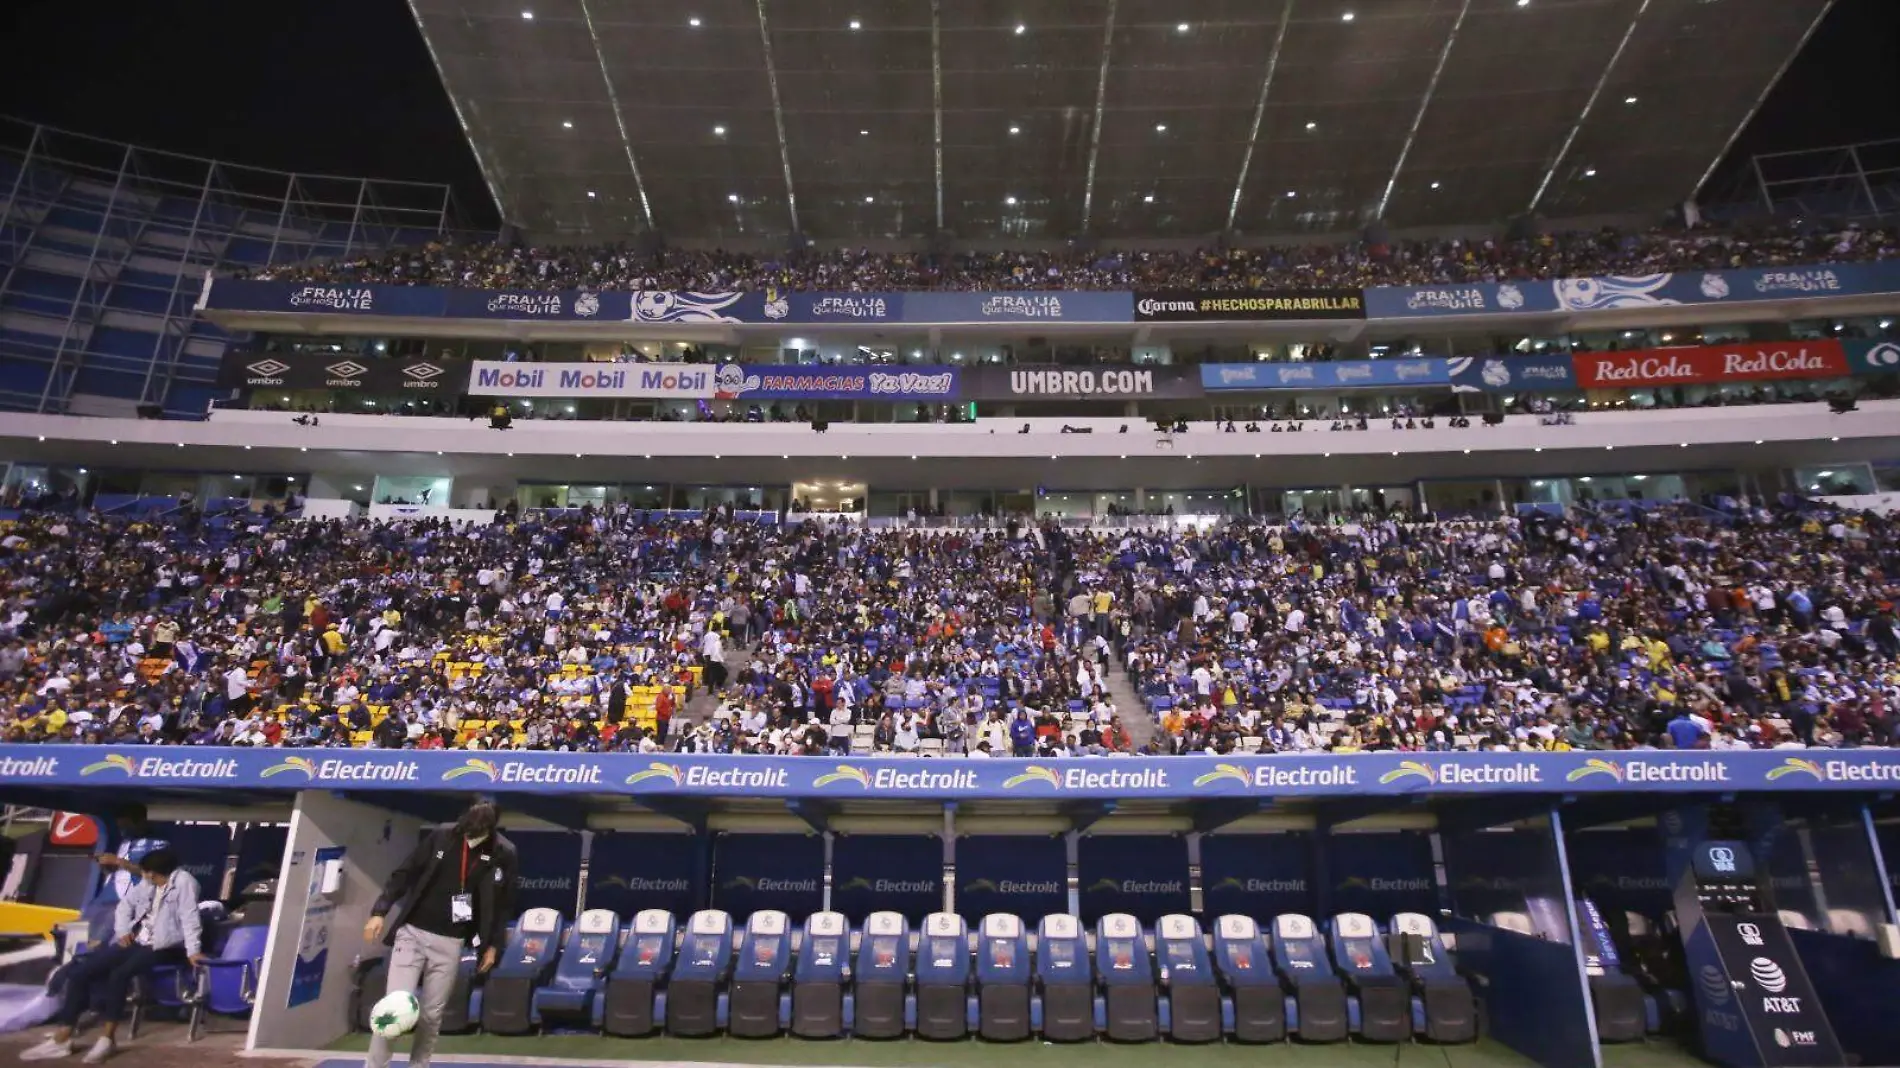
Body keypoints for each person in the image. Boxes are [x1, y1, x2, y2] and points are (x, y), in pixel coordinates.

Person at [362, 801, 517, 1068]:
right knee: (394, 1007)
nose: (468, 837)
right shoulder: (443, 835)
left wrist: (493, 946)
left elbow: (504, 905)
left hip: (451, 941)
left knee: (432, 1015)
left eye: (475, 834)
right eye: (466, 830)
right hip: (412, 933)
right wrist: (379, 911)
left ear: (490, 830)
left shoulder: (504, 852)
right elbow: (405, 873)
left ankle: (419, 1065)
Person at [19, 849, 205, 1063]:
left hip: (166, 947)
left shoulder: (185, 883)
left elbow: (190, 919)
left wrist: (193, 951)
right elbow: (125, 905)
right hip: (138, 940)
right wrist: (123, 930)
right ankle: (62, 1037)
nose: (143, 876)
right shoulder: (149, 884)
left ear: (153, 873)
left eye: (145, 873)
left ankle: (107, 1039)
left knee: (119, 975)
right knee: (81, 972)